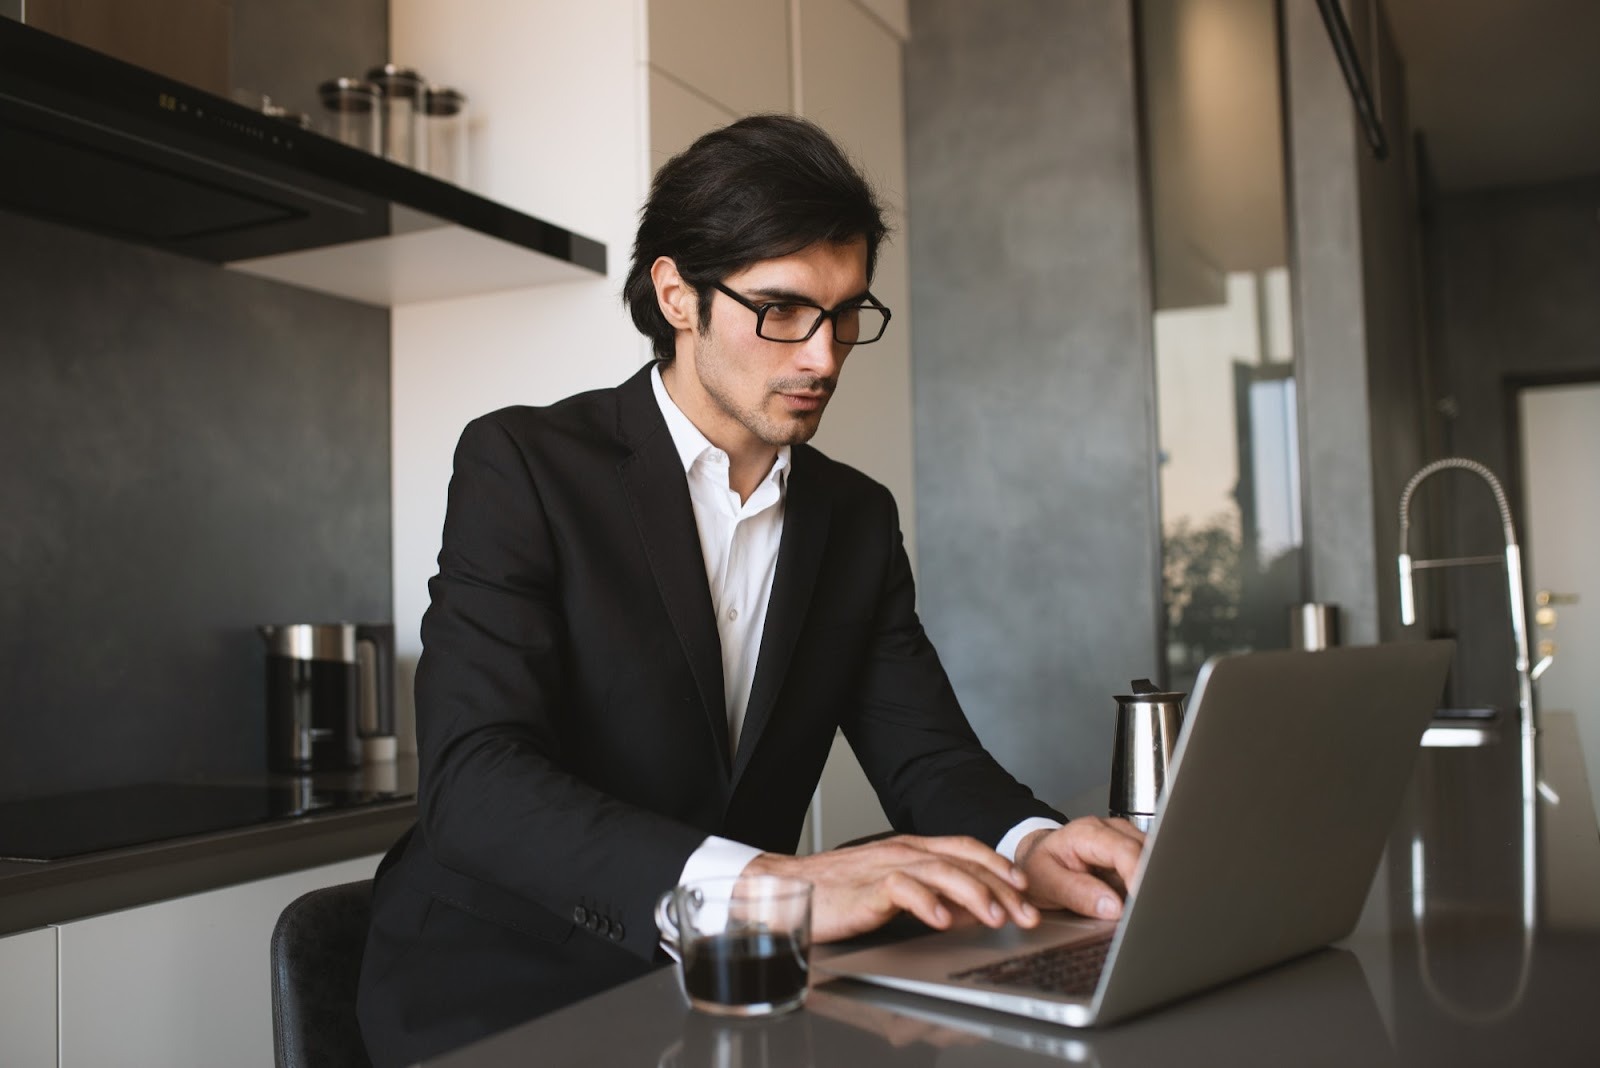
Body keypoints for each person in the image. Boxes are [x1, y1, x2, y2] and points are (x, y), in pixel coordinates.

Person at [356, 114, 1145, 1067]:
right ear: (676, 296)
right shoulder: (523, 464)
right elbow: (474, 782)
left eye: (845, 313)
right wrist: (770, 888)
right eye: (780, 310)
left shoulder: (854, 517)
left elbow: (929, 758)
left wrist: (1030, 844)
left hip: (734, 996)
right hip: (499, 989)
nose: (822, 357)